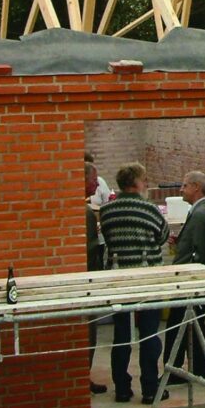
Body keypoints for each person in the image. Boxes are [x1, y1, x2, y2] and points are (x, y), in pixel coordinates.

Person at [99, 162, 170, 403]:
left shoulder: (107, 210)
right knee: (149, 334)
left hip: (118, 278)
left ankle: (122, 387)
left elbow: (107, 237)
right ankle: (150, 388)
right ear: (137, 182)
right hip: (147, 276)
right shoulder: (149, 209)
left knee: (122, 334)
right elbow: (162, 235)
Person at [164, 171, 205, 383]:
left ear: (195, 187)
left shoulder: (201, 214)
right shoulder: (197, 212)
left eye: (185, 186)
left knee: (180, 325)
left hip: (189, 280)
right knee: (191, 326)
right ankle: (196, 369)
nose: (181, 190)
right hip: (188, 277)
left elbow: (202, 248)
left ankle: (177, 370)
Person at [84, 162, 108, 395]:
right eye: (94, 180)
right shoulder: (85, 215)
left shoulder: (87, 211)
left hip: (88, 282)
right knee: (88, 333)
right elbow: (91, 251)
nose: (97, 184)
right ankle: (82, 378)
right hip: (86, 284)